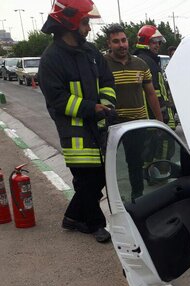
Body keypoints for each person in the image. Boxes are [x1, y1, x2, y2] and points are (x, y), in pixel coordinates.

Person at [38, 0, 116, 243]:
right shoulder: (51, 59)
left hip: (99, 128)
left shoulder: (92, 53)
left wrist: (106, 104)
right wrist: (91, 108)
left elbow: (107, 82)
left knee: (99, 178)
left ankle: (72, 217)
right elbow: (57, 99)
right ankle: (96, 225)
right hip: (75, 133)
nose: (88, 28)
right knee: (86, 180)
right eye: (84, 23)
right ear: (70, 23)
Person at [103, 24, 163, 201]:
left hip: (137, 123)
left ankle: (137, 197)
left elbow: (151, 93)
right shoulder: (102, 65)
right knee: (109, 165)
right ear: (109, 43)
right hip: (112, 125)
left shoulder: (140, 64)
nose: (121, 45)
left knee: (135, 163)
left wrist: (159, 121)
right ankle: (113, 200)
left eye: (123, 40)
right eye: (116, 42)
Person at [134, 25, 176, 131]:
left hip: (148, 120)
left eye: (159, 42)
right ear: (145, 42)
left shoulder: (140, 60)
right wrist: (164, 120)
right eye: (154, 42)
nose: (157, 45)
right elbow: (158, 95)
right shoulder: (149, 63)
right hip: (155, 120)